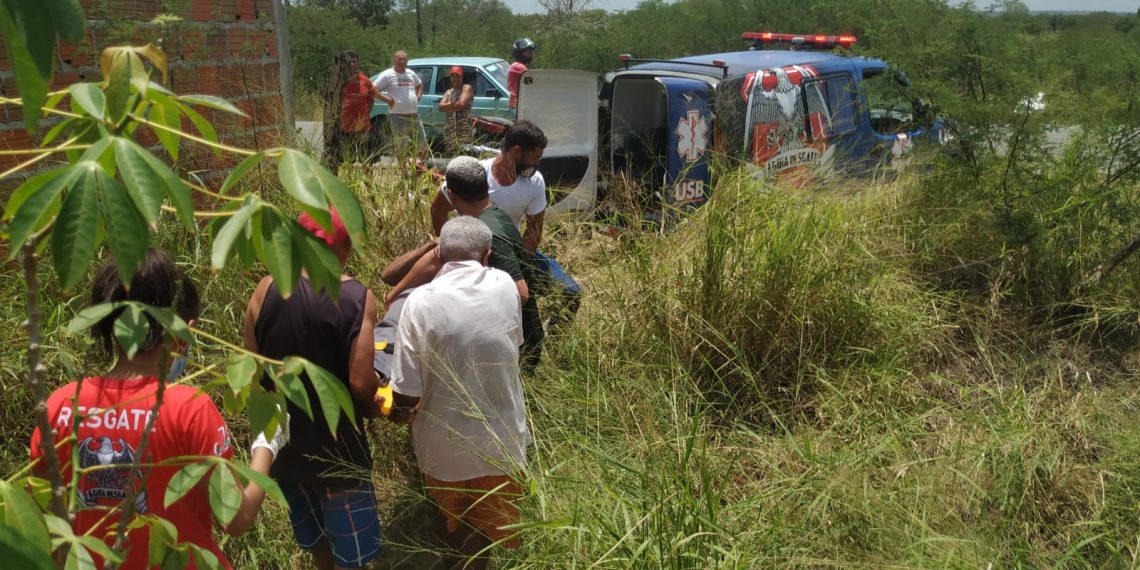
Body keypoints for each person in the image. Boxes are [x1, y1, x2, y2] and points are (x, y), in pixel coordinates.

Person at [30, 248, 289, 569]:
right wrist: (266, 445)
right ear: (184, 329)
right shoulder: (189, 409)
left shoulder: (59, 406)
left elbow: (43, 513)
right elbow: (236, 519)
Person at [243, 210, 383, 570]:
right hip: (339, 452)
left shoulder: (265, 289)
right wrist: (377, 401)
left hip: (285, 448)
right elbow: (360, 382)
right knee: (353, 556)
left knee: (316, 539)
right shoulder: (356, 298)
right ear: (346, 248)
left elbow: (253, 371)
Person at [390, 215, 530, 570]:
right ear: (487, 255)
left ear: (438, 252)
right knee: (488, 526)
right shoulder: (505, 286)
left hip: (443, 444)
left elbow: (406, 394)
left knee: (450, 517)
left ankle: (454, 557)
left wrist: (393, 411)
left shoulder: (419, 303)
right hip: (502, 440)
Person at [384, 156, 544, 373]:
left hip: (512, 351)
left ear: (451, 195)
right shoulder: (489, 218)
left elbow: (520, 293)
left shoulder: (487, 233)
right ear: (486, 186)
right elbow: (391, 275)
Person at [430, 120, 582, 336]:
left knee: (570, 292)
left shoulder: (534, 182)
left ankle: (555, 342)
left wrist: (519, 263)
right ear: (516, 152)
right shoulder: (475, 174)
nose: (537, 164)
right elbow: (438, 209)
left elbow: (534, 230)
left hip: (515, 252)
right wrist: (448, 246)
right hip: (471, 253)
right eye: (535, 158)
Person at [330, 50, 382, 167]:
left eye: (354, 61)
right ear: (344, 63)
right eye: (349, 62)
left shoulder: (365, 81)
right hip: (345, 129)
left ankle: (367, 184)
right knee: (347, 162)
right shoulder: (339, 81)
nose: (352, 64)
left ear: (358, 63)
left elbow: (371, 100)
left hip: (363, 127)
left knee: (367, 161)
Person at [373, 50, 427, 160]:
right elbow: (373, 89)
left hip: (414, 115)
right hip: (397, 116)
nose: (402, 62)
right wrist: (389, 101)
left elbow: (420, 84)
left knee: (422, 143)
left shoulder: (411, 73)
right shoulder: (388, 74)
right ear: (394, 60)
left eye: (404, 59)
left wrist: (417, 97)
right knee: (402, 146)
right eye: (399, 59)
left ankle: (421, 169)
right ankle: (403, 172)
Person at [438, 65, 474, 156]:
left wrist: (449, 105)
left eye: (457, 76)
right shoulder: (448, 92)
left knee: (465, 153)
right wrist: (452, 104)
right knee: (451, 153)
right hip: (450, 129)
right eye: (452, 76)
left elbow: (460, 105)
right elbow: (440, 107)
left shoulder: (466, 88)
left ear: (462, 76)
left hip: (463, 128)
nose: (455, 78)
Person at [507, 38, 535, 111]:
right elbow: (532, 82)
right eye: (526, 51)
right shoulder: (518, 67)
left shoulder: (519, 65)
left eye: (530, 51)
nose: (529, 53)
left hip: (520, 102)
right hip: (517, 105)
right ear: (519, 53)